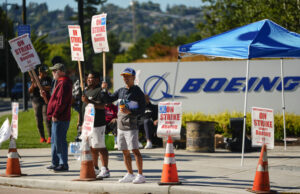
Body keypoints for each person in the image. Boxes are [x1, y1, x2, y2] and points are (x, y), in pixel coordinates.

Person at [102, 67, 146, 184]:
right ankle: (130, 173)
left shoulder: (138, 92)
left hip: (131, 126)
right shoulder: (121, 90)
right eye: (124, 76)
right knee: (124, 151)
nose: (125, 78)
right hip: (120, 126)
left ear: (133, 77)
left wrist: (131, 112)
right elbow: (109, 99)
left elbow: (142, 109)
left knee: (135, 150)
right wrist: (104, 90)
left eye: (128, 76)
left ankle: (140, 175)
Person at [43, 63, 73, 172]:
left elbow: (61, 102)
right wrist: (46, 96)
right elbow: (55, 99)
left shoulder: (64, 83)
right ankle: (55, 162)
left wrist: (55, 114)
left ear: (60, 71)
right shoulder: (60, 82)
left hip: (60, 117)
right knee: (55, 141)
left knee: (59, 141)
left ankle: (63, 163)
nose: (53, 73)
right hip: (58, 117)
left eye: (54, 71)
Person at [81, 72, 110, 178]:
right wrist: (80, 122)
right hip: (88, 124)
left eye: (92, 78)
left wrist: (89, 101)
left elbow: (103, 106)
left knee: (100, 146)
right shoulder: (86, 91)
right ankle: (95, 168)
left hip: (98, 124)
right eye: (88, 78)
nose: (89, 80)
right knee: (92, 147)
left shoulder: (100, 91)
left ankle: (105, 169)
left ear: (98, 80)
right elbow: (83, 108)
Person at [28, 65, 52, 143]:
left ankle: (50, 137)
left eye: (46, 72)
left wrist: (40, 86)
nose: (45, 74)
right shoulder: (35, 79)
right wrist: (33, 84)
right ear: (40, 72)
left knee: (47, 118)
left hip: (45, 100)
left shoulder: (48, 79)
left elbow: (49, 87)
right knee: (38, 119)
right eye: (44, 72)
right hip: (36, 101)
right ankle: (42, 137)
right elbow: (30, 91)